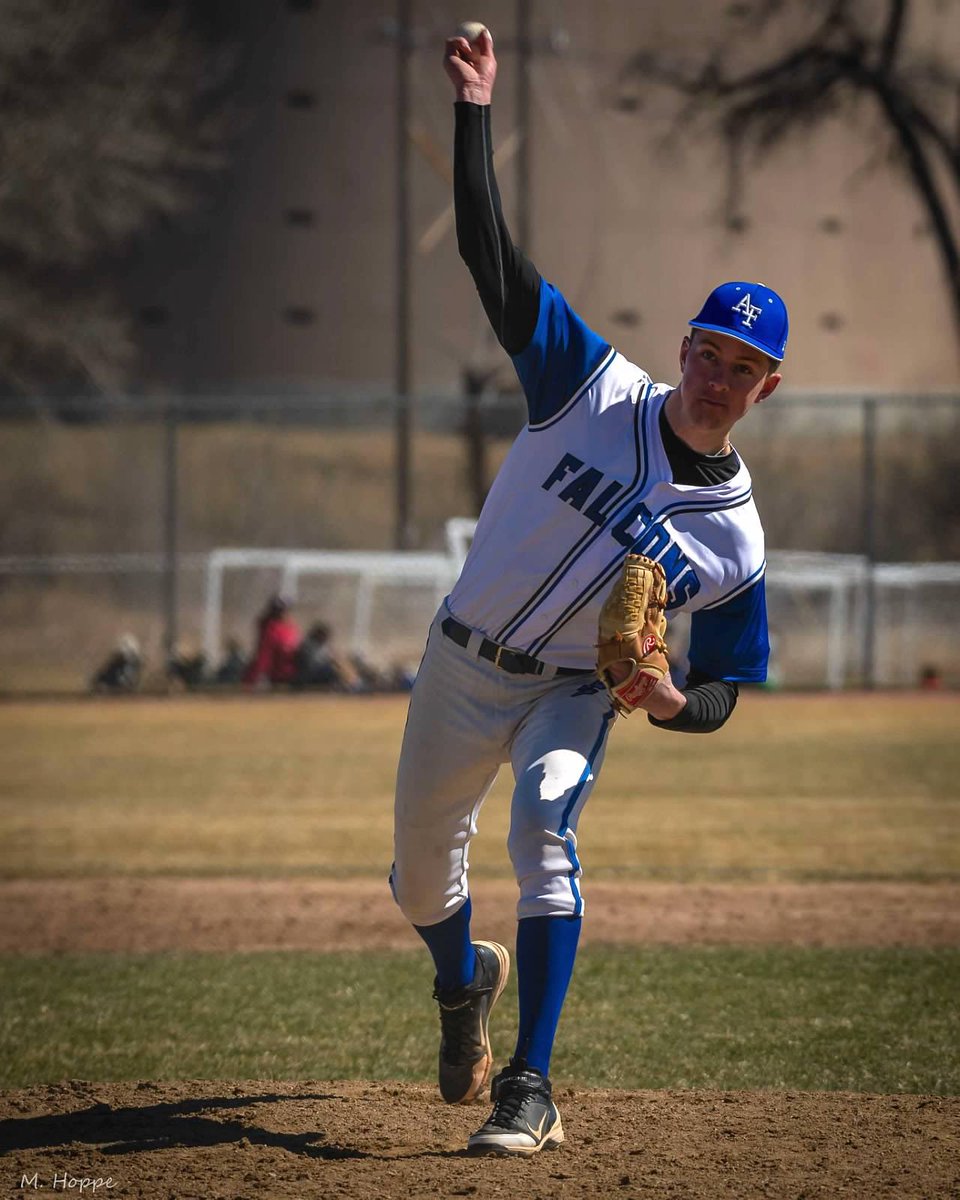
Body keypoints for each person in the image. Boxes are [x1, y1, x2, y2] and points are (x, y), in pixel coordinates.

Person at [389, 27, 787, 1157]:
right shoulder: (587, 384)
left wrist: (673, 704)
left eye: (742, 368)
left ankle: (533, 1084)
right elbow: (489, 256)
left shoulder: (735, 539)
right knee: (419, 878)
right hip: (463, 657)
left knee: (543, 830)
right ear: (684, 346)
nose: (717, 378)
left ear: (766, 389)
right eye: (708, 352)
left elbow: (727, 684)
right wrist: (475, 110)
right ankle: (462, 980)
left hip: (572, 688)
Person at [242, 594, 301, 688]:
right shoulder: (271, 629)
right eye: (282, 610)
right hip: (279, 677)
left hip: (293, 673)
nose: (286, 613)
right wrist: (253, 677)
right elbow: (264, 656)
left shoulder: (290, 627)